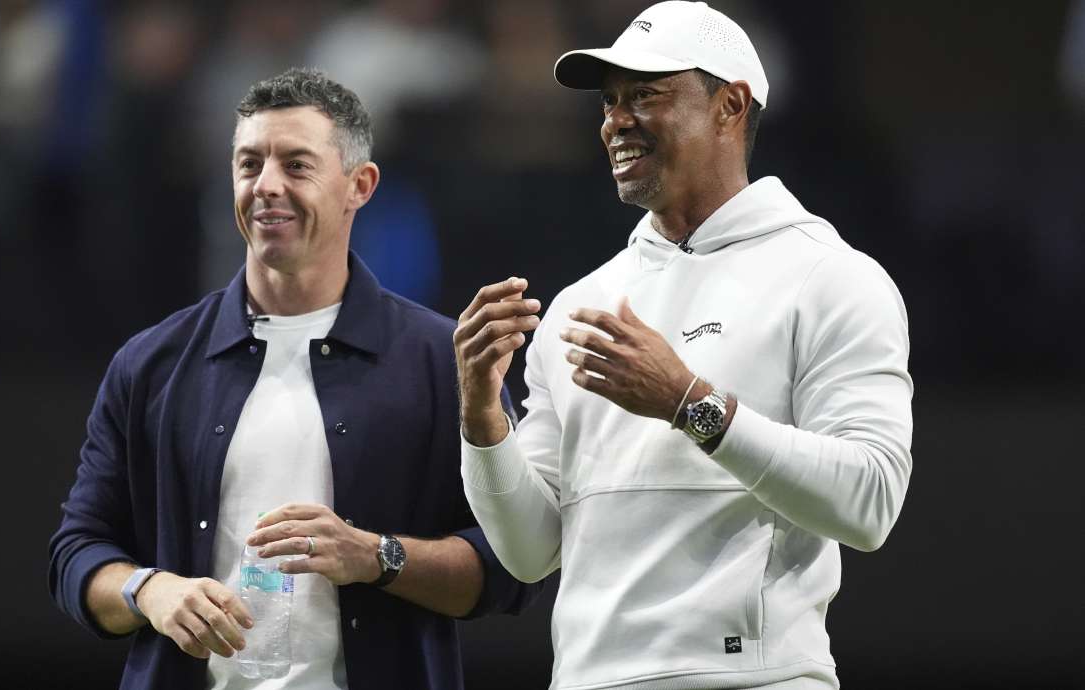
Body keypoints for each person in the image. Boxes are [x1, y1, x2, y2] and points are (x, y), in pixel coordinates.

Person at [455, 3, 913, 689]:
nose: (616, 120)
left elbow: (869, 502)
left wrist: (688, 404)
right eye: (609, 101)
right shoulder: (580, 306)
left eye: (645, 95)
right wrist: (483, 420)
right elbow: (529, 552)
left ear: (731, 106)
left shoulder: (830, 277)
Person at [50, 67, 540, 690]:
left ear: (359, 185)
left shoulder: (443, 361)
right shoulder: (150, 363)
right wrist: (151, 590)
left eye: (297, 165)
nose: (266, 186)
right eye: (249, 164)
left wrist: (376, 556)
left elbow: (512, 568)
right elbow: (76, 554)